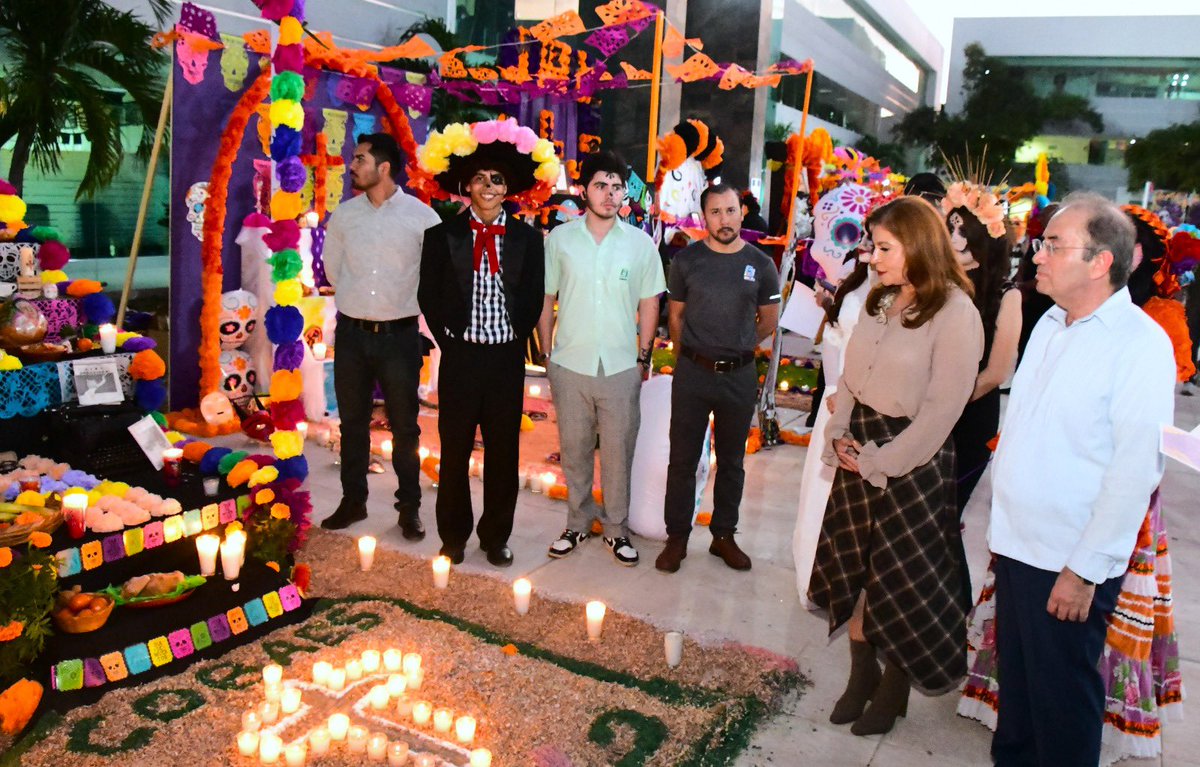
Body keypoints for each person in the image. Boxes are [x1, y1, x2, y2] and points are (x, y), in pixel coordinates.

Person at [958, 204, 1188, 765]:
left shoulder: (1139, 344)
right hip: (1018, 546)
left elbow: (1135, 471)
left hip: (1067, 558)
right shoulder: (1051, 324)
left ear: (1099, 262)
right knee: (1018, 701)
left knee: (1061, 704)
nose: (1038, 255)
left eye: (1054, 244)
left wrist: (1084, 571)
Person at [808, 196, 983, 736]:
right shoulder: (879, 300)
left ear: (918, 245)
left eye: (885, 248)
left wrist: (880, 460)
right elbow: (851, 380)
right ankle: (862, 675)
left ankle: (893, 686)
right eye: (872, 246)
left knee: (899, 579)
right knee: (857, 571)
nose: (873, 257)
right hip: (859, 446)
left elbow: (941, 412)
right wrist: (838, 433)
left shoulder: (956, 313)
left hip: (913, 461)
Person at [417, 127, 547, 568]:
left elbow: (533, 296)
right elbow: (428, 294)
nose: (488, 186)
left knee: (503, 452)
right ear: (467, 186)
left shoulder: (528, 239)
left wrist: (514, 336)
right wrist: (450, 337)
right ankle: (453, 535)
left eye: (497, 179)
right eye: (480, 178)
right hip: (461, 358)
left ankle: (495, 537)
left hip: (506, 361)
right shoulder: (442, 236)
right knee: (454, 450)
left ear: (507, 189)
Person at [539, 151, 664, 566]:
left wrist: (643, 358)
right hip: (570, 363)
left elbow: (650, 303)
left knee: (617, 453)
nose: (610, 194)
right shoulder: (560, 240)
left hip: (621, 366)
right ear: (584, 190)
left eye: (617, 187)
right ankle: (577, 522)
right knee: (574, 450)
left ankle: (616, 529)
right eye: (600, 185)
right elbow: (546, 298)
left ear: (625, 193)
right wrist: (546, 352)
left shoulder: (640, 244)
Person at [655, 183, 780, 574]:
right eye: (715, 212)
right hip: (692, 375)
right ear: (703, 217)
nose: (724, 219)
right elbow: (676, 317)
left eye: (730, 211)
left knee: (731, 462)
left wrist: (738, 345)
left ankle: (723, 535)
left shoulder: (762, 264)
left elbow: (769, 321)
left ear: (742, 213)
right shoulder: (686, 261)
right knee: (682, 459)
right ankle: (677, 538)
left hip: (738, 378)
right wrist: (689, 358)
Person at [320, 133, 441, 533]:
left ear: (384, 167)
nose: (352, 165)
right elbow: (333, 270)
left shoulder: (422, 218)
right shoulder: (345, 216)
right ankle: (353, 502)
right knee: (352, 424)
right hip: (352, 334)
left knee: (405, 427)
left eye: (360, 159)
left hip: (399, 337)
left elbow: (435, 275)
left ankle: (409, 508)